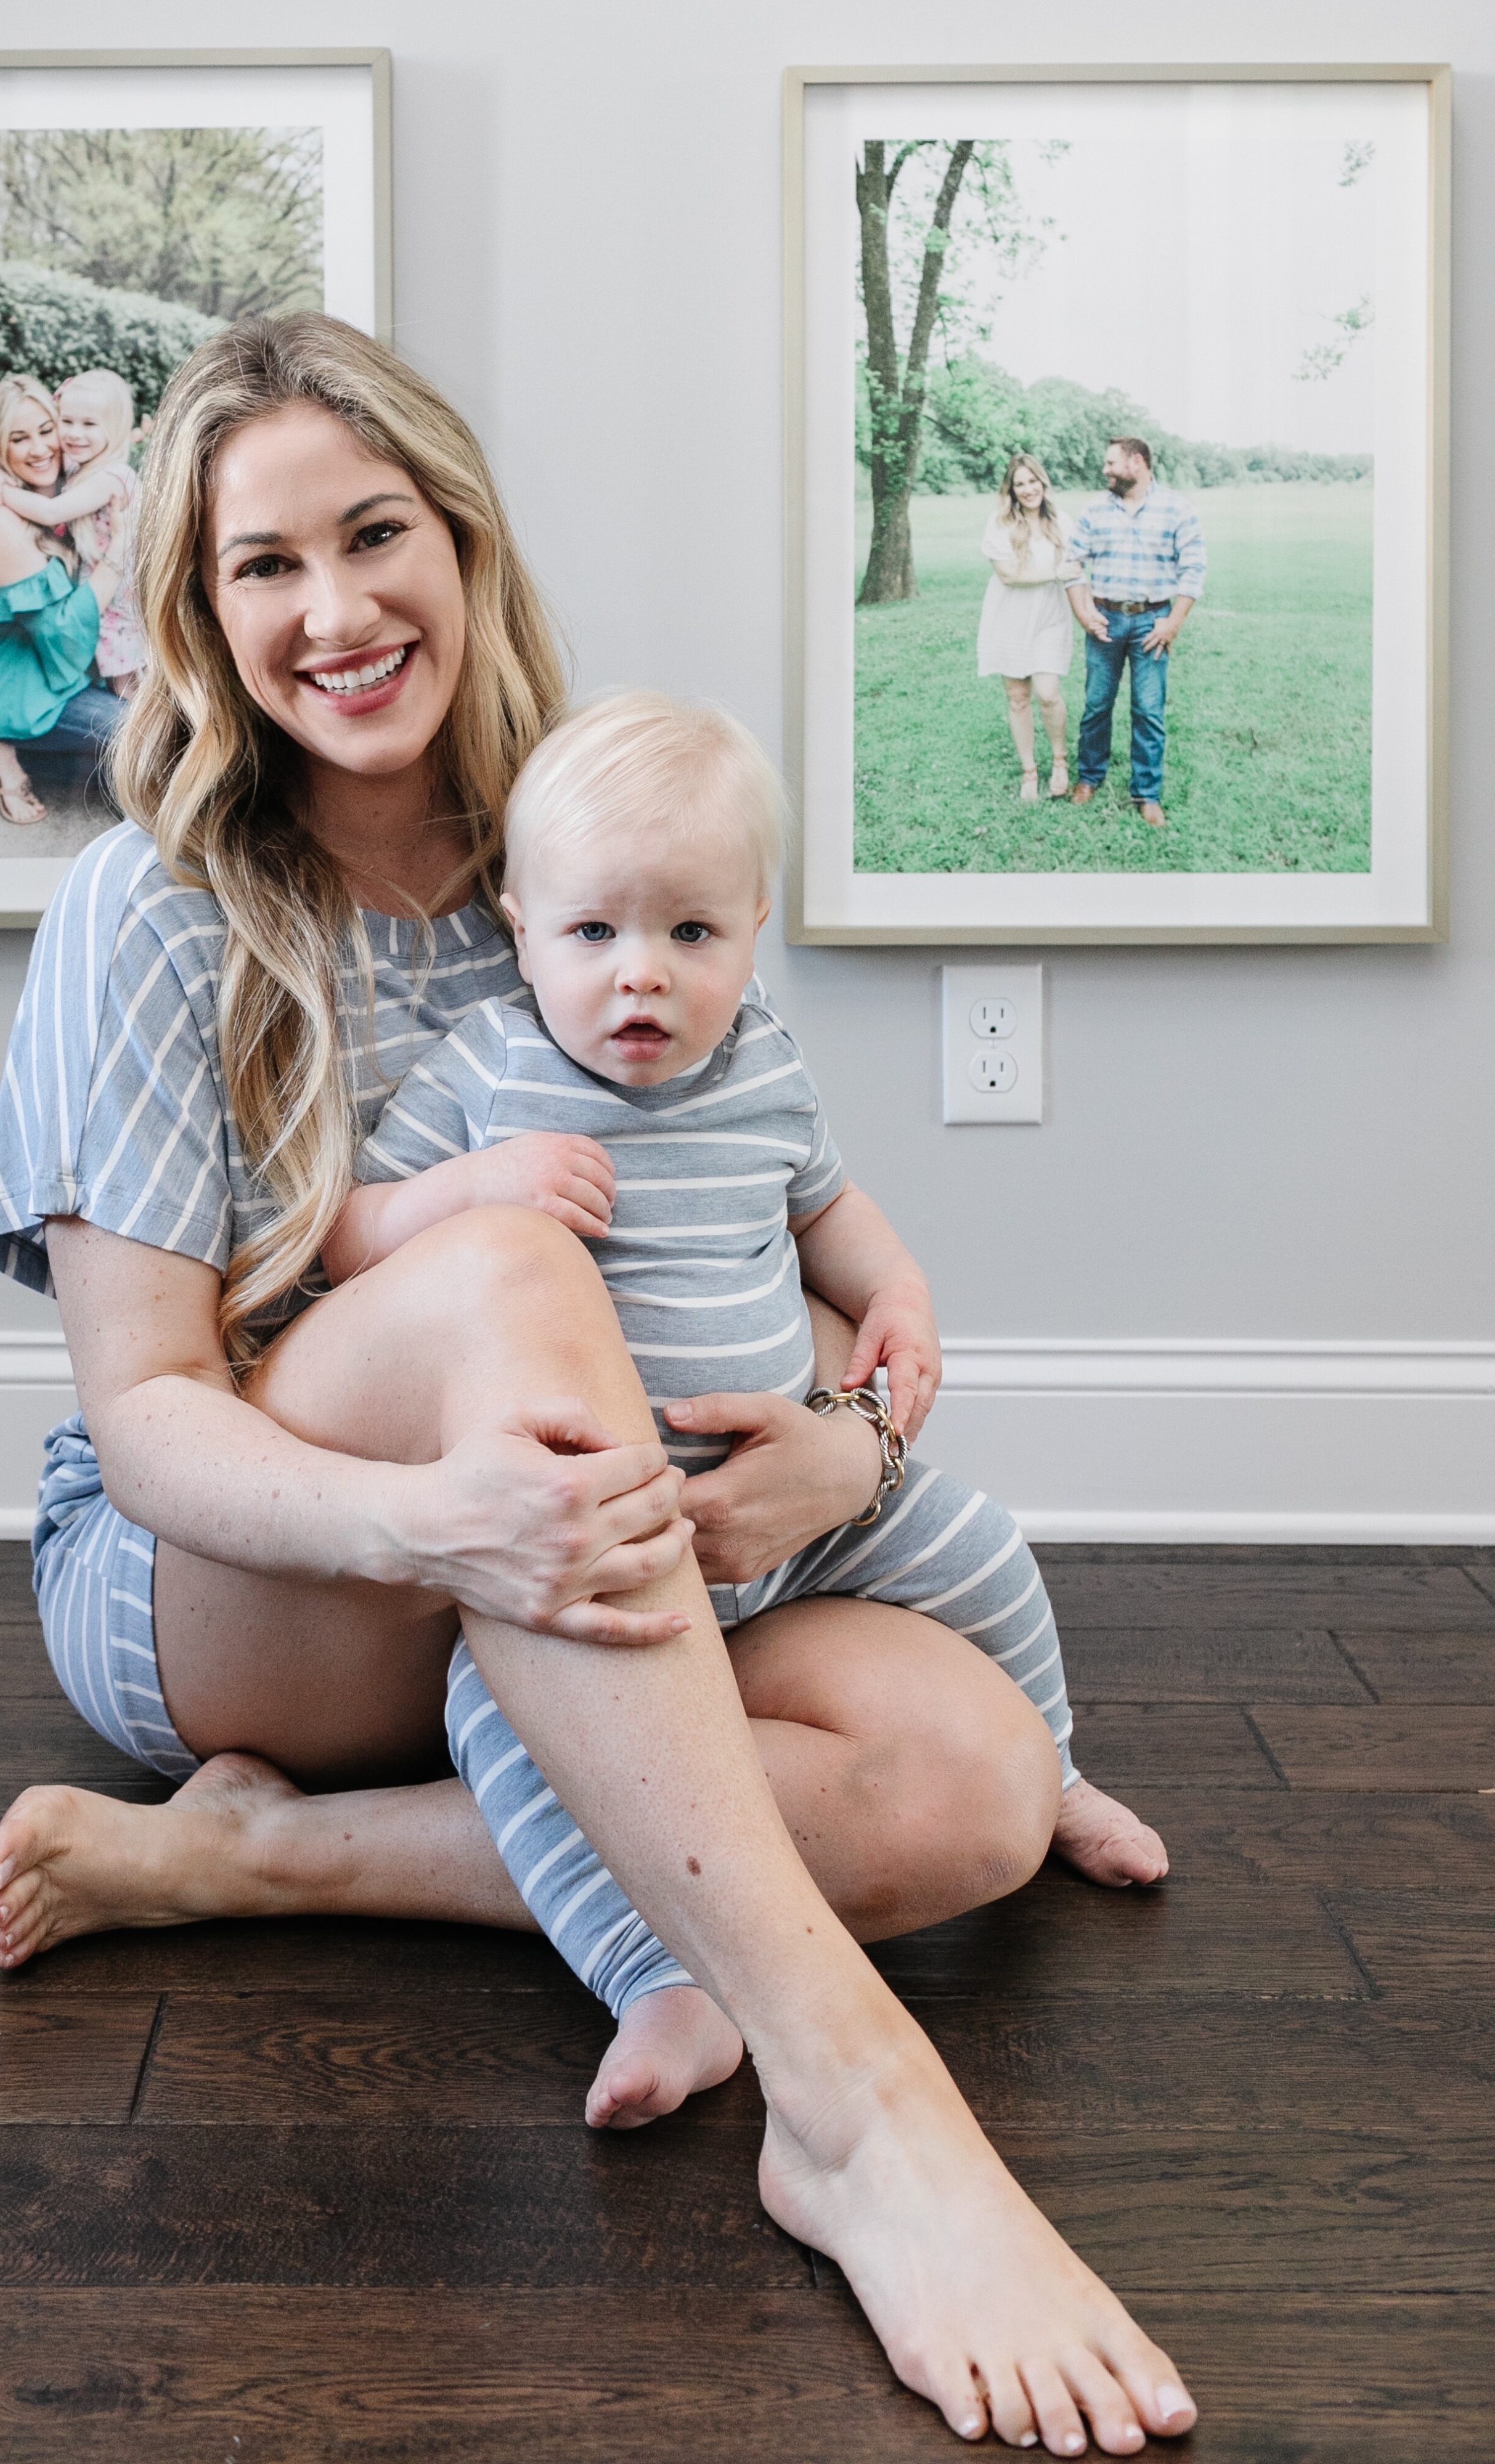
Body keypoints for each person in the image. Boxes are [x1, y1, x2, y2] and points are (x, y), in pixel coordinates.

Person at [0, 314, 1197, 2455]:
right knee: (507, 1251)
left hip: (572, 1562)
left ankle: (264, 1869)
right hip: (259, 1574)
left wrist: (854, 1440)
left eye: (376, 534)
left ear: (464, 539)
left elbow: (757, 1215)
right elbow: (154, 1413)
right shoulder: (147, 911)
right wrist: (424, 1523)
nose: (335, 611)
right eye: (265, 566)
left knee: (976, 1791)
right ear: (195, 605)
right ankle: (859, 2114)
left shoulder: (597, 844)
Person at [325, 684, 1164, 2037]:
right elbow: (352, 1238)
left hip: (804, 1517)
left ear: (752, 935)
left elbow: (827, 1208)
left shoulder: (762, 1060)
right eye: (593, 929)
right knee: (506, 1730)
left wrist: (895, 1289)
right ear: (520, 929)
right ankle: (652, 1975)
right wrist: (466, 1189)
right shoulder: (488, 1070)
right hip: (606, 1541)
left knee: (986, 1548)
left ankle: (1056, 1775)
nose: (640, 970)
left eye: (690, 930)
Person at [0, 375, 131, 825]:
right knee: (150, 737)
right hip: (27, 688)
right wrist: (119, 550)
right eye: (19, 439)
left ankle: (41, 757)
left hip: (75, 671)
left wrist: (0, 473)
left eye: (45, 430)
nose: (39, 449)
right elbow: (65, 639)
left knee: (183, 725)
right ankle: (8, 750)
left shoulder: (65, 487)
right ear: (1, 446)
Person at [0, 369, 147, 693]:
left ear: (114, 429)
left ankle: (158, 737)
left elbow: (52, 511)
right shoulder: (81, 468)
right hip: (104, 594)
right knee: (118, 682)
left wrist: (2, 492)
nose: (75, 434)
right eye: (66, 422)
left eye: (89, 425)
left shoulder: (111, 477)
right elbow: (17, 456)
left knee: (132, 687)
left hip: (122, 600)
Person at [1068, 435, 1207, 829]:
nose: (1105, 470)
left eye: (1112, 463)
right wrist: (1084, 612)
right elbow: (1072, 563)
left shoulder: (1178, 509)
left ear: (1137, 463)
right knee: (1097, 704)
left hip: (1153, 622)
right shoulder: (1095, 510)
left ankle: (1147, 794)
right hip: (1104, 622)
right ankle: (1089, 778)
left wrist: (1173, 622)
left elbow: (1193, 570)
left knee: (1149, 710)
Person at [979, 453, 1082, 802]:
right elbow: (1008, 575)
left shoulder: (1063, 523)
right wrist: (1055, 574)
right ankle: (1029, 772)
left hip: (1050, 618)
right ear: (1011, 490)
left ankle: (1060, 760)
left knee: (1048, 695)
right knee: (1018, 698)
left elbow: (1077, 571)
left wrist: (1090, 612)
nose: (1027, 489)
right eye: (1019, 484)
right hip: (1009, 619)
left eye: (1032, 481)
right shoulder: (1000, 523)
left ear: (1043, 483)